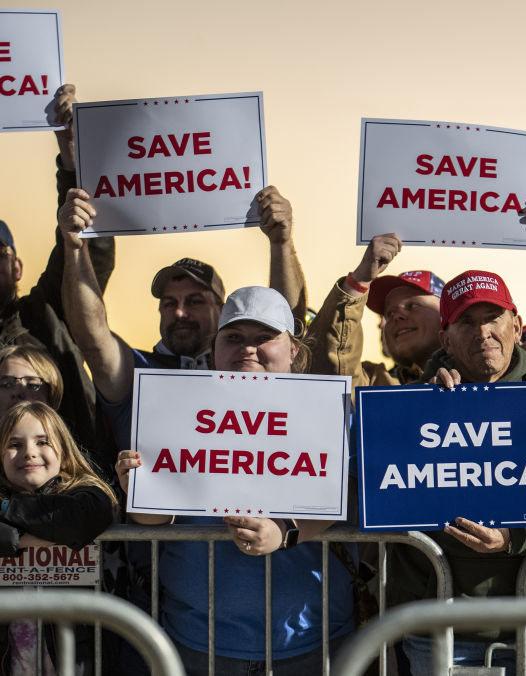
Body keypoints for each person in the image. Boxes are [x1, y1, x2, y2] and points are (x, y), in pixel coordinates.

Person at [115, 286, 354, 675]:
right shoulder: (176, 408)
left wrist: (285, 532)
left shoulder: (331, 410)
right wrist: (140, 493)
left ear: (293, 349)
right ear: (215, 348)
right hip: (196, 641)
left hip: (310, 641)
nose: (248, 349)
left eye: (264, 338)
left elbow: (346, 498)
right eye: (234, 338)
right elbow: (153, 524)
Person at [390, 269, 526, 675]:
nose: (483, 332)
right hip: (436, 633)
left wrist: (514, 538)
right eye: (467, 322)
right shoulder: (408, 406)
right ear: (445, 339)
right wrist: (425, 398)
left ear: (516, 325)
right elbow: (390, 494)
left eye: (493, 317)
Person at [57, 182, 307, 446]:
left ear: (222, 312)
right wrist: (75, 249)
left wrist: (282, 243)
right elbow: (92, 339)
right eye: (168, 303)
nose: (179, 312)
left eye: (195, 301)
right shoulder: (140, 373)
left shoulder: (246, 368)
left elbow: (282, 323)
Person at [307, 191, 526, 387]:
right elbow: (332, 371)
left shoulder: (524, 366)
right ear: (447, 337)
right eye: (388, 313)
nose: (396, 316)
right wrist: (358, 281)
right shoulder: (380, 385)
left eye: (413, 305)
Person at [1, 84, 115, 471]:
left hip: (72, 503)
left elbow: (85, 248)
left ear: (17, 267)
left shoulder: (47, 315)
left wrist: (71, 157)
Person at [0, 401, 118, 675]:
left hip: (77, 657)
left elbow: (82, 518)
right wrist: (34, 537)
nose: (29, 453)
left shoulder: (87, 492)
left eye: (42, 442)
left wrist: (7, 513)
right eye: (14, 444)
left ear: (64, 453)